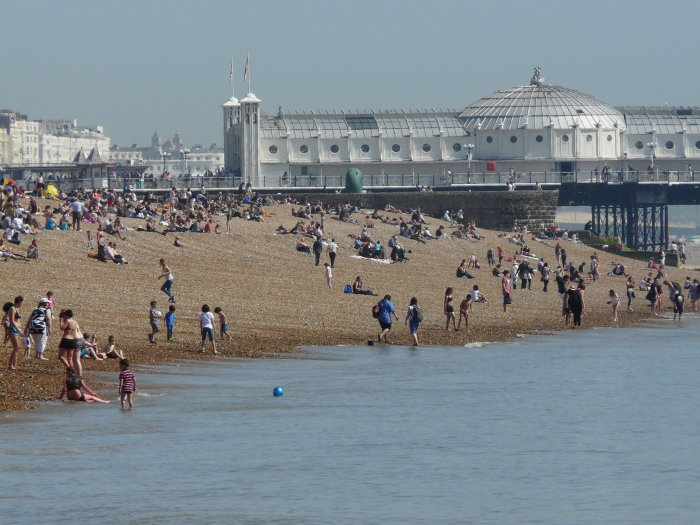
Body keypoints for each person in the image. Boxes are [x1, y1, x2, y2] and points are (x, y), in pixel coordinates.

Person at [4, 297, 23, 370]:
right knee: (16, 347)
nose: (22, 304)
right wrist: (19, 330)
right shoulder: (12, 309)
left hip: (18, 328)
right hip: (13, 329)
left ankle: (15, 364)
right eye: (21, 302)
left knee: (17, 348)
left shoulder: (17, 309)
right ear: (19, 302)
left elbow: (18, 321)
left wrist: (20, 329)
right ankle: (10, 365)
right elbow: (11, 321)